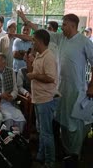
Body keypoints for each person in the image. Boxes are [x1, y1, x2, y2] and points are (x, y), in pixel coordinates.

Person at [18, 10, 93, 166]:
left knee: (74, 123)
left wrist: (92, 86)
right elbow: (42, 32)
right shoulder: (61, 38)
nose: (61, 27)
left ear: (73, 26)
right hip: (60, 89)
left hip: (76, 90)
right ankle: (66, 153)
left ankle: (75, 155)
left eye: (64, 25)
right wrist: (25, 20)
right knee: (63, 122)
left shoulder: (84, 41)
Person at [27, 29, 58, 168]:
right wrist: (28, 60)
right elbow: (31, 73)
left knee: (47, 133)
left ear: (39, 41)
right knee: (41, 130)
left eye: (34, 40)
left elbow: (50, 78)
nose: (32, 42)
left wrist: (34, 76)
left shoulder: (49, 57)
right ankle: (41, 155)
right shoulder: (39, 55)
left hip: (46, 100)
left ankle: (50, 161)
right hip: (38, 98)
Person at [0, 53, 26, 130]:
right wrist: (0, 95)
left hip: (10, 103)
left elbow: (15, 89)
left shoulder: (11, 71)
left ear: (4, 63)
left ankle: (17, 139)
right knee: (9, 119)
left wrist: (12, 96)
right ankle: (5, 139)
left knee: (21, 118)